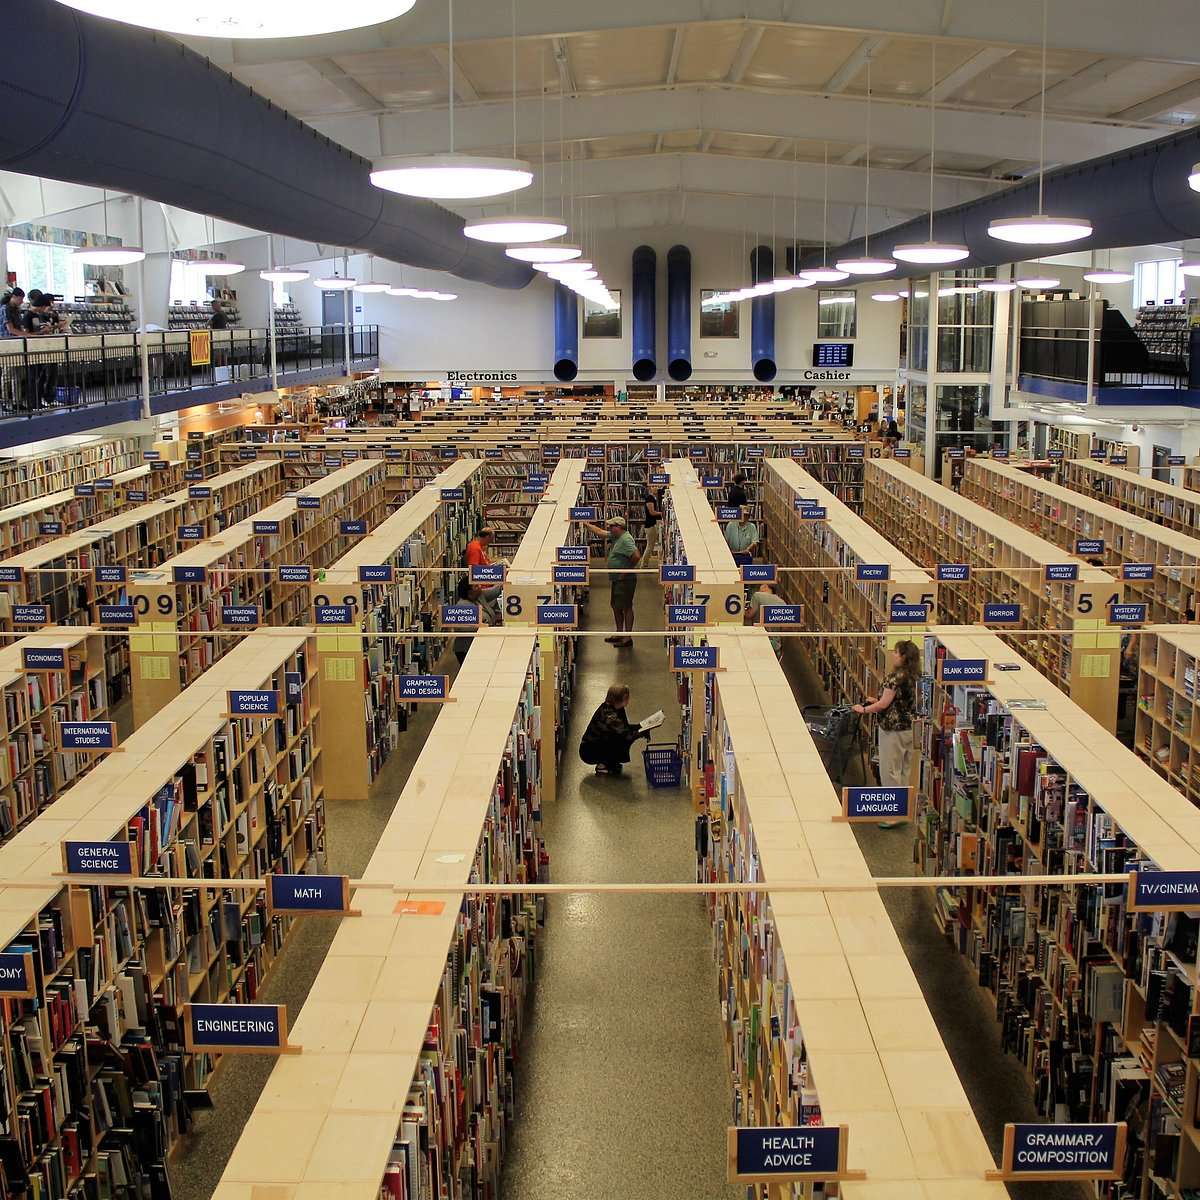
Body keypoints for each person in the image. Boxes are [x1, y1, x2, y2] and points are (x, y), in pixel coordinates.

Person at [853, 640, 920, 828]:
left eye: (896, 653)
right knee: (905, 770)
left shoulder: (895, 677)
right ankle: (903, 810)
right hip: (911, 729)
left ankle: (892, 814)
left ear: (904, 657)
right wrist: (879, 700)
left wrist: (864, 709)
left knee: (889, 770)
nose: (893, 655)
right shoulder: (916, 676)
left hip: (893, 729)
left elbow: (884, 705)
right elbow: (897, 701)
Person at [584, 514, 641, 648]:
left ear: (619, 527)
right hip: (616, 579)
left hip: (625, 579)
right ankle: (619, 633)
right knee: (616, 606)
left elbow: (636, 556)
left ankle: (627, 638)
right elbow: (600, 532)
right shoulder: (616, 536)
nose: (609, 527)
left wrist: (626, 571)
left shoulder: (626, 539)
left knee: (626, 606)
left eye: (611, 526)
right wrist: (585, 523)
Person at [578, 684, 649, 775]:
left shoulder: (616, 707)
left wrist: (641, 726)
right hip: (589, 751)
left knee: (617, 738)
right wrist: (642, 731)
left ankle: (608, 761)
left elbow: (624, 727)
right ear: (624, 698)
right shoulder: (609, 714)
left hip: (595, 744)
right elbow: (626, 735)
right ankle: (602, 764)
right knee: (620, 740)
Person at [452, 575, 502, 665]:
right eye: (476, 586)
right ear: (469, 592)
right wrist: (485, 624)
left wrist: (504, 580)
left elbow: (495, 591)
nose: (480, 587)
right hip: (467, 647)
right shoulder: (463, 606)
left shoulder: (479, 595)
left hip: (481, 644)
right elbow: (461, 628)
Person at [641, 483, 663, 563]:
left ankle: (645, 563)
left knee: (653, 545)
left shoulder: (655, 498)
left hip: (653, 524)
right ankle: (644, 563)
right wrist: (662, 513)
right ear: (650, 488)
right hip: (650, 525)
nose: (656, 488)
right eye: (653, 486)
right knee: (650, 545)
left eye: (657, 486)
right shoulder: (649, 498)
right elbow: (652, 512)